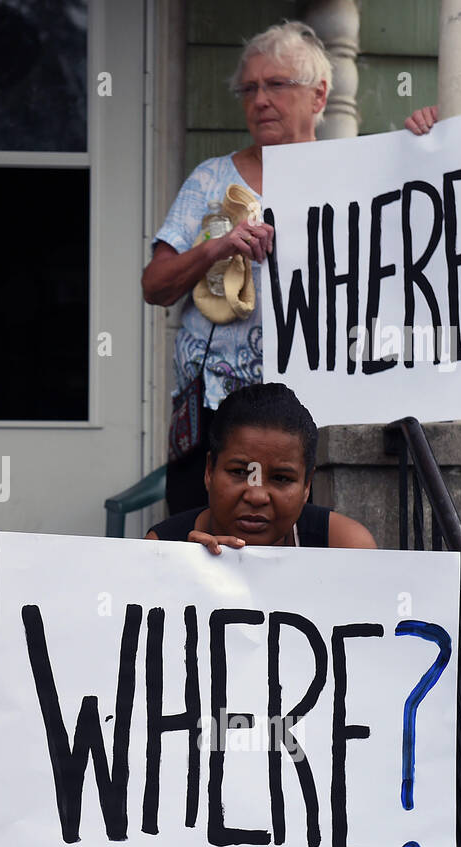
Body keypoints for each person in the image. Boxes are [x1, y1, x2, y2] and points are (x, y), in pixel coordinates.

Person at [138, 382, 405, 847]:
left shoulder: (344, 546)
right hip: (203, 776)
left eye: (281, 479)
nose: (257, 494)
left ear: (308, 486)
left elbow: (371, 682)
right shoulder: (163, 546)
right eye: (240, 471)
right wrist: (191, 577)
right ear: (208, 472)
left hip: (313, 776)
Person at [142, 21, 330, 515]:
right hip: (212, 415)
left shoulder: (350, 176)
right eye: (249, 88)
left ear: (319, 94)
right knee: (201, 544)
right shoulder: (211, 179)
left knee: (301, 554)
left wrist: (430, 134)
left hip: (316, 414)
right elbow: (155, 286)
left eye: (277, 84)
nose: (260, 99)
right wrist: (216, 247)